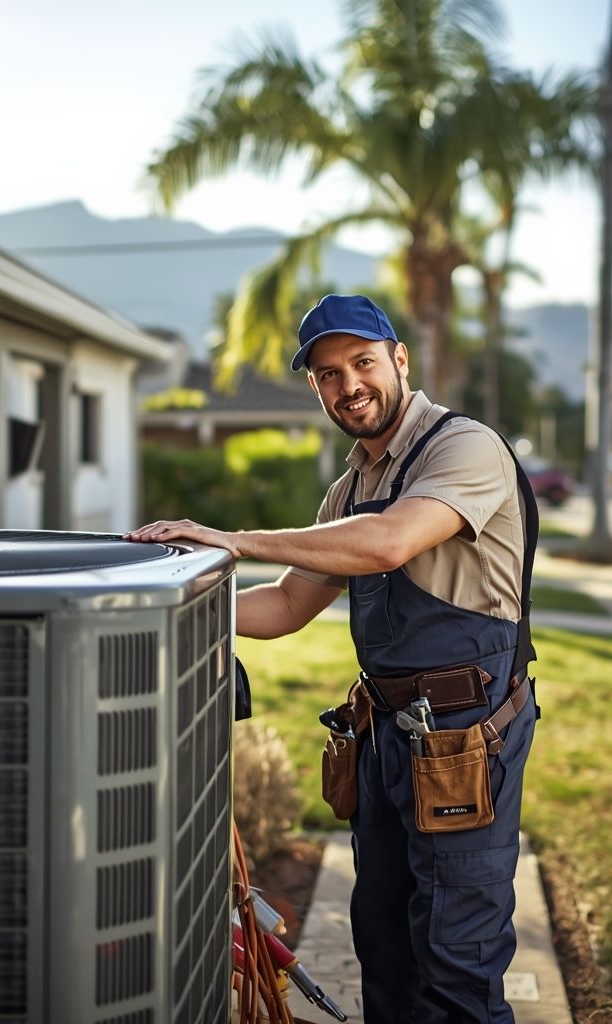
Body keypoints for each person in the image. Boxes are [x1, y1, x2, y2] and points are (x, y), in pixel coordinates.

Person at [126, 293, 539, 1024]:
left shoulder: (462, 447)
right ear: (314, 387)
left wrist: (232, 539)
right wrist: (167, 605)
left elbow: (386, 543)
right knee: (383, 947)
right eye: (327, 374)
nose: (349, 385)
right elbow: (286, 605)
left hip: (466, 739)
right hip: (387, 739)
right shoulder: (349, 488)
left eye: (362, 363)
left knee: (455, 963)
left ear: (399, 360)